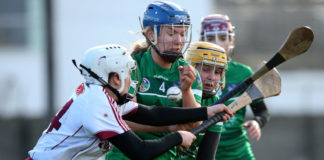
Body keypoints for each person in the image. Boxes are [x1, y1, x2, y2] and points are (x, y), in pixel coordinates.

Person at [26, 44, 233, 160]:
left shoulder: (106, 95)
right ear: (114, 77)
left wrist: (207, 111)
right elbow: (140, 151)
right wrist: (178, 136)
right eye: (127, 73)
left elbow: (153, 114)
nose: (130, 79)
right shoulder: (98, 104)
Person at [106, 1, 203, 160]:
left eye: (183, 33)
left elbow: (193, 124)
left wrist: (186, 91)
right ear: (151, 34)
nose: (179, 40)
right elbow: (125, 120)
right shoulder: (131, 66)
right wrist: (171, 126)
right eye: (172, 33)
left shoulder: (189, 73)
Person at [200, 14, 271, 160]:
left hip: (239, 153)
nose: (217, 44)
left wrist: (257, 122)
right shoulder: (193, 72)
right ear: (201, 41)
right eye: (210, 38)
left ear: (231, 40)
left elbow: (262, 110)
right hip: (204, 153)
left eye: (222, 37)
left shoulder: (244, 73)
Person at [174, 41, 228, 160]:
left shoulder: (216, 102)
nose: (212, 77)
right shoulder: (174, 92)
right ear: (190, 67)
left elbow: (206, 156)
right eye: (206, 69)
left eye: (217, 72)